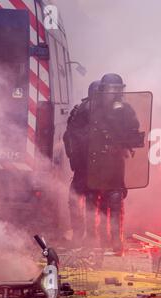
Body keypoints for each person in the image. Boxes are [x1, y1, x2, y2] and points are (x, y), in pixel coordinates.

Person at [86, 73, 144, 255]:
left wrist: (124, 141)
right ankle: (102, 241)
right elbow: (80, 136)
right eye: (111, 90)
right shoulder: (92, 110)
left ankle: (116, 241)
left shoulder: (126, 110)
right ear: (102, 91)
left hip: (115, 161)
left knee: (116, 199)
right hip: (95, 163)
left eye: (117, 90)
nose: (114, 94)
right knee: (99, 201)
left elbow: (134, 132)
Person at [64, 80, 100, 246]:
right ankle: (90, 237)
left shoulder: (79, 110)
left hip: (83, 166)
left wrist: (74, 158)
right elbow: (70, 136)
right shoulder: (106, 110)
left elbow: (68, 136)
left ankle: (81, 235)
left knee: (77, 198)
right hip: (94, 167)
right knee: (91, 200)